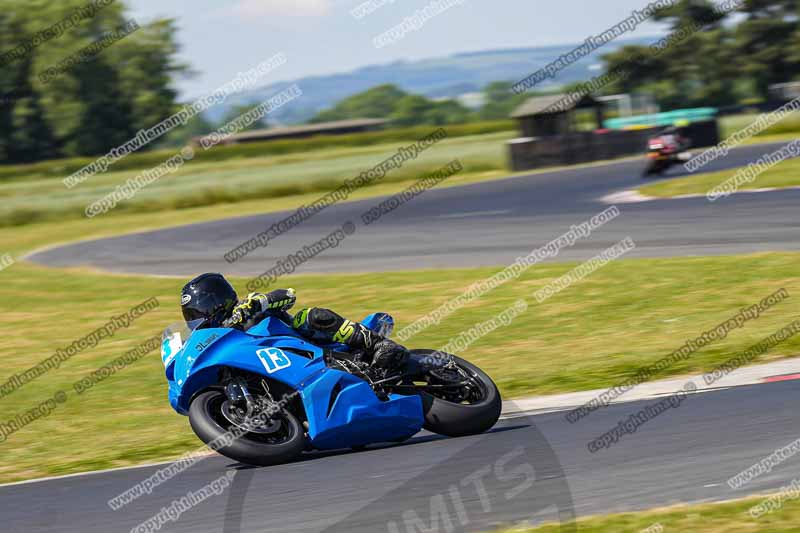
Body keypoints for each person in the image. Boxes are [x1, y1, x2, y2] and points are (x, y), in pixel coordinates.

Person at [179, 273, 408, 371]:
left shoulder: (248, 307)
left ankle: (378, 344)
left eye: (198, 312)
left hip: (311, 347)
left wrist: (258, 304)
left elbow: (288, 295)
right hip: (279, 368)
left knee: (309, 316)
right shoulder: (213, 341)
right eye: (191, 316)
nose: (195, 320)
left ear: (216, 301)